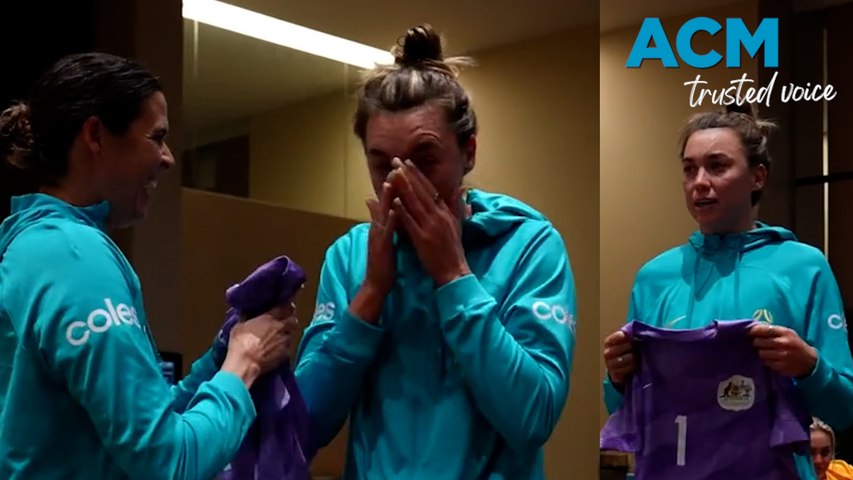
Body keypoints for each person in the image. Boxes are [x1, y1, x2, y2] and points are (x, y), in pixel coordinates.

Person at [294, 24, 577, 479]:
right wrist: (369, 296)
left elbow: (533, 417)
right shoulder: (350, 256)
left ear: (469, 152)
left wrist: (454, 276)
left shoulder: (529, 245)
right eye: (381, 162)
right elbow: (301, 428)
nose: (400, 181)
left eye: (424, 159)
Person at [0, 52, 298, 479]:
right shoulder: (73, 256)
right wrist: (244, 363)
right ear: (96, 135)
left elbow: (146, 428)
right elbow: (168, 462)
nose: (168, 158)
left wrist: (222, 356)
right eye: (156, 137)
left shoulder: (35, 249)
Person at [601, 103, 853, 479]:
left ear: (758, 176)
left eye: (717, 166)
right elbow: (622, 408)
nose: (699, 181)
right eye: (689, 169)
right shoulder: (654, 277)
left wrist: (809, 365)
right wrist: (618, 377)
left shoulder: (803, 267)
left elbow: (844, 409)